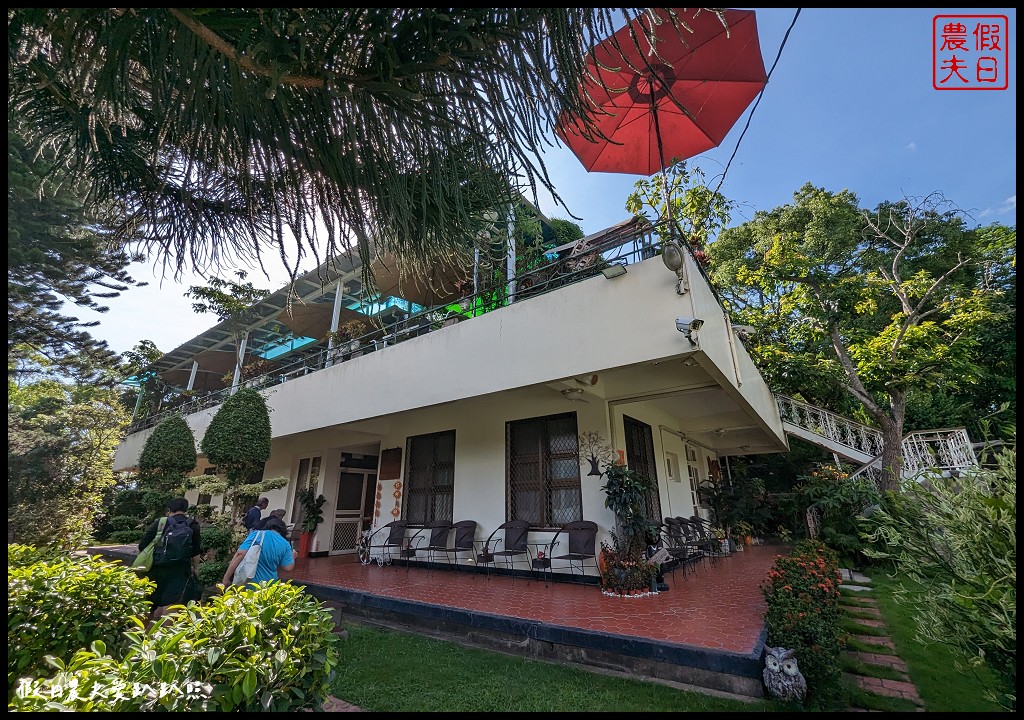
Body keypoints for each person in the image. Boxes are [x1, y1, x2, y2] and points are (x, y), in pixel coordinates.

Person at [138, 497, 202, 620]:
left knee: (149, 603)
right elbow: (196, 551)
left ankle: (141, 634)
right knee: (172, 602)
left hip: (157, 567)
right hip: (180, 569)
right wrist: (196, 568)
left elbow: (143, 545)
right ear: (185, 509)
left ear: (169, 509)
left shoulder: (161, 522)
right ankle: (164, 636)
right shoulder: (193, 524)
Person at [222, 515, 296, 587]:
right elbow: (288, 567)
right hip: (269, 586)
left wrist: (226, 578)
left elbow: (240, 554)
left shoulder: (257, 535)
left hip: (247, 583)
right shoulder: (285, 544)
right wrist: (293, 556)